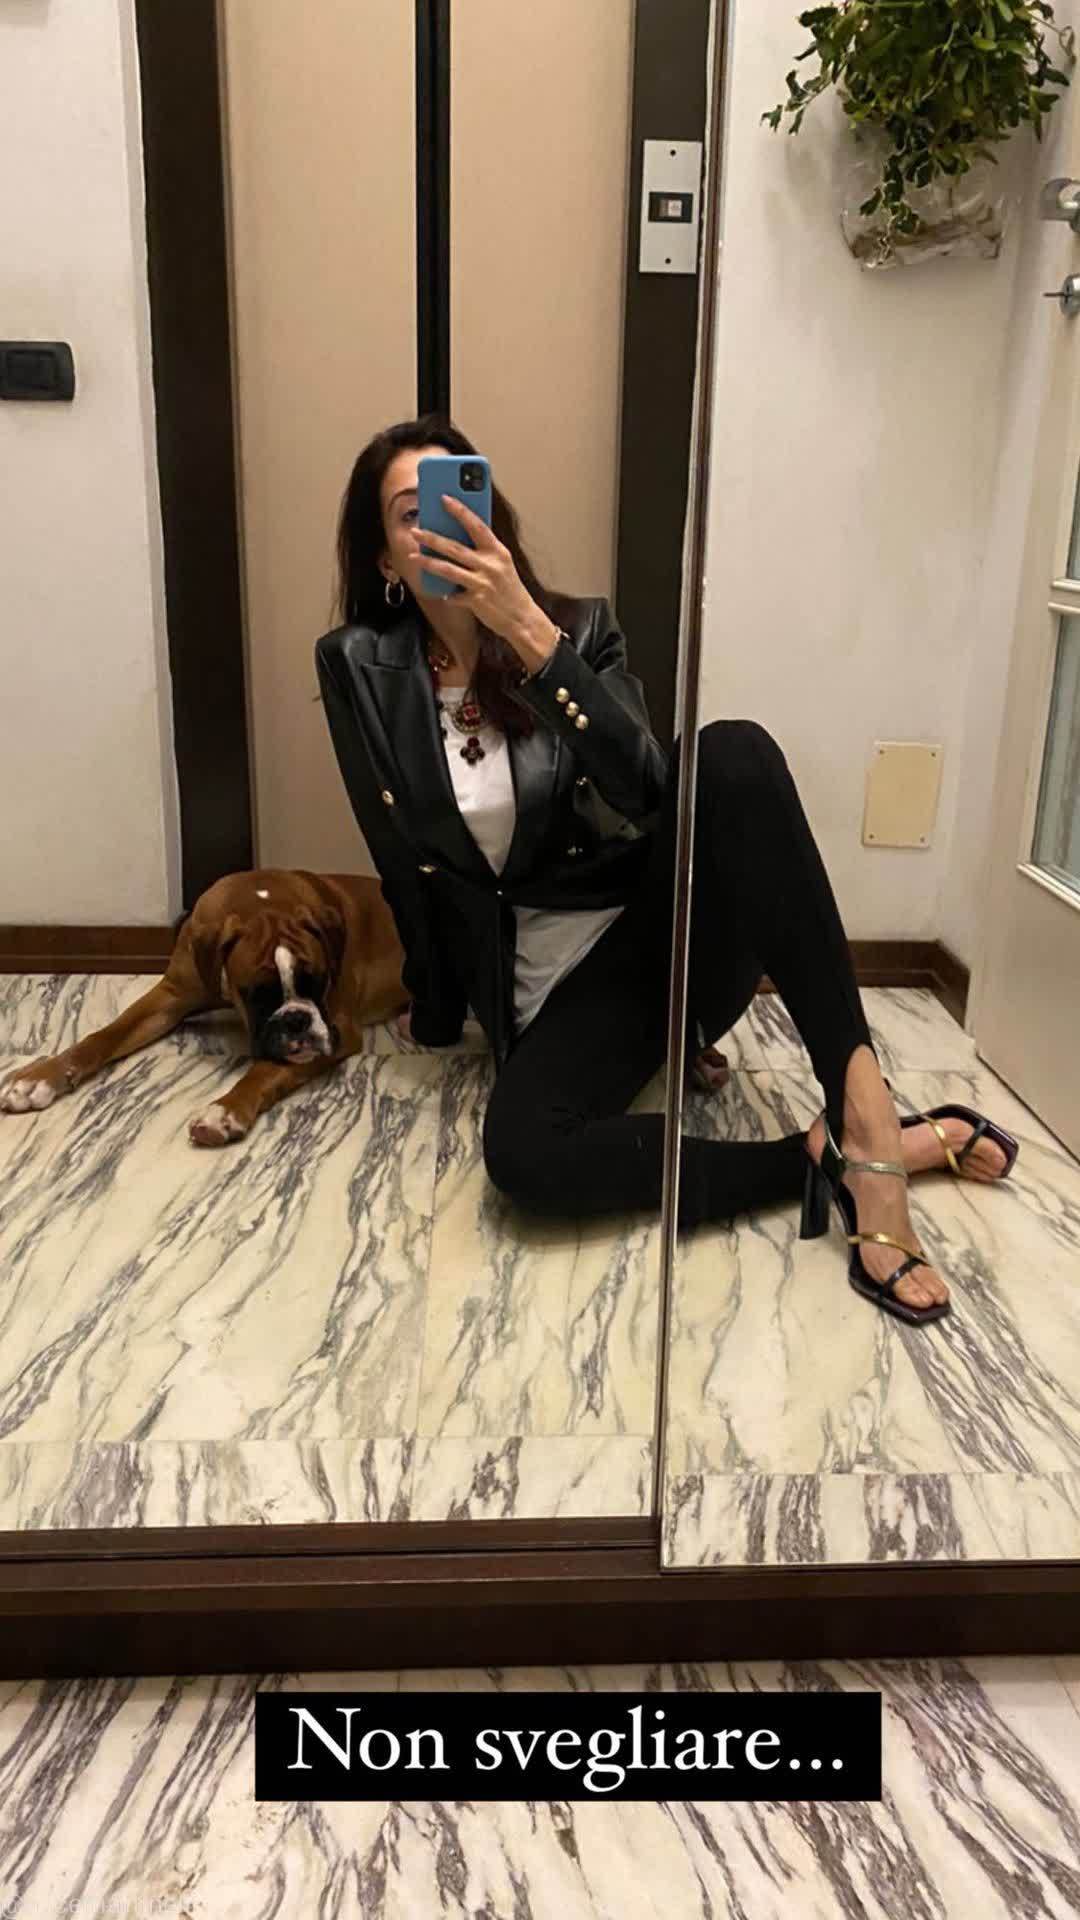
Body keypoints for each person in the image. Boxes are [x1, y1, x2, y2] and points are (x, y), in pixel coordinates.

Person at [315, 416, 1018, 1329]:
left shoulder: (576, 629)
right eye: (412, 514)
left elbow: (647, 792)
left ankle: (868, 1116)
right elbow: (395, 853)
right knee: (524, 1159)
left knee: (731, 755)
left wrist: (528, 635)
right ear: (384, 558)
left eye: (454, 502)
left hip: (656, 947)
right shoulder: (357, 667)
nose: (436, 529)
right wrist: (439, 1008)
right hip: (545, 995)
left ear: (488, 514)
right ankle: (821, 1158)